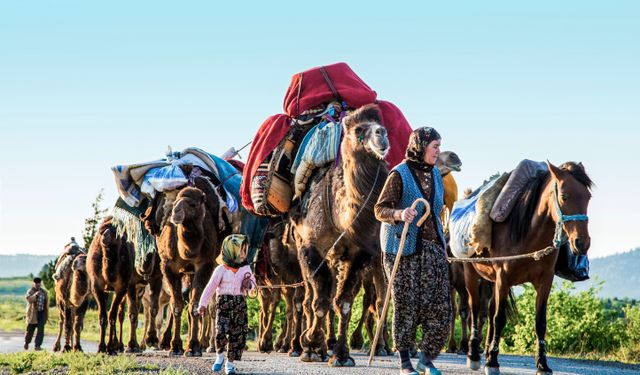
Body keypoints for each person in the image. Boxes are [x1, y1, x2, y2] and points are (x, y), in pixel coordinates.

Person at [375, 127, 452, 375]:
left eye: (439, 146)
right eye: (435, 147)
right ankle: (406, 364)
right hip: (402, 248)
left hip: (433, 249)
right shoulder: (399, 174)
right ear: (421, 147)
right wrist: (399, 213)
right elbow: (380, 209)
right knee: (406, 306)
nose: (438, 151)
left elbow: (438, 210)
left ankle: (426, 360)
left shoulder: (437, 176)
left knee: (441, 307)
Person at [198, 234, 255, 375]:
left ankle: (230, 364)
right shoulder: (221, 269)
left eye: (244, 250)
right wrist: (202, 304)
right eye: (240, 250)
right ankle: (219, 357)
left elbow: (253, 287)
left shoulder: (246, 268)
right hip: (223, 304)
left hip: (240, 305)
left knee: (238, 335)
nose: (243, 254)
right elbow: (210, 287)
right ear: (230, 250)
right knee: (221, 332)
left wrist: (249, 285)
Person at [24, 277, 49, 351]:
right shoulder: (30, 291)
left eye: (39, 283)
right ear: (33, 284)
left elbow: (46, 303)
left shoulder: (44, 292)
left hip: (41, 313)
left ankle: (37, 346)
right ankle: (27, 342)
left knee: (41, 330)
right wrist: (35, 295)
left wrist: (46, 314)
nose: (38, 285)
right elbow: (29, 299)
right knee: (30, 330)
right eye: (36, 284)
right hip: (33, 314)